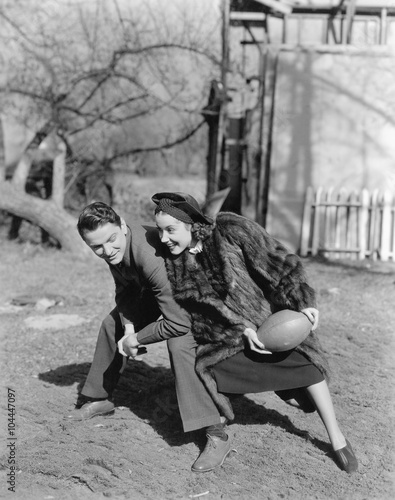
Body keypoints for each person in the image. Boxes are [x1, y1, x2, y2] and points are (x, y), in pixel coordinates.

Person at [152, 191, 358, 474]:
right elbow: (201, 318)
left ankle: (336, 436)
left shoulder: (230, 229)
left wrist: (302, 302)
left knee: (308, 368)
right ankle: (217, 431)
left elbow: (279, 262)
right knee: (206, 367)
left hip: (272, 323)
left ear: (192, 224)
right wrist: (241, 331)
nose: (164, 239)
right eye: (161, 231)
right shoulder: (177, 266)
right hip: (228, 338)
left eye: (170, 230)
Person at [65, 201, 231, 472]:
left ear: (123, 226)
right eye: (97, 247)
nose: (106, 251)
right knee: (112, 324)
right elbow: (125, 292)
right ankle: (99, 398)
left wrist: (138, 340)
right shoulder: (113, 248)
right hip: (163, 292)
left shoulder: (147, 254)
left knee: (180, 343)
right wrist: (128, 328)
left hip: (201, 296)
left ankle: (216, 433)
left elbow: (177, 322)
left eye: (111, 241)